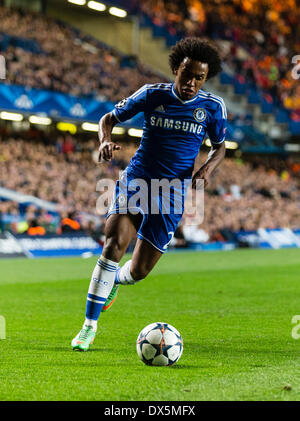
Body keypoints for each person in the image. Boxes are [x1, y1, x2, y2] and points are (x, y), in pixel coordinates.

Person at [72, 37, 226, 351]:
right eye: (187, 76)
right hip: (138, 180)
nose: (192, 83)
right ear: (175, 70)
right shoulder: (151, 95)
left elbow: (219, 147)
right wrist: (104, 140)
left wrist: (207, 170)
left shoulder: (212, 107)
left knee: (139, 271)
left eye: (199, 78)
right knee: (113, 245)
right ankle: (88, 327)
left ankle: (114, 281)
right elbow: (108, 119)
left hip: (173, 193)